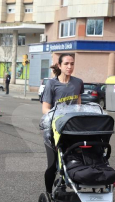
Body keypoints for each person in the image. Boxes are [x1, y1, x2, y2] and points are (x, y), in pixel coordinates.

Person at [41, 53, 83, 194]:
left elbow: (78, 104)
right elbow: (45, 108)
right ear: (59, 65)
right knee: (53, 165)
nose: (69, 67)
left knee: (72, 160)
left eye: (72, 63)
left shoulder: (78, 82)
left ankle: (64, 184)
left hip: (72, 129)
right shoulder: (51, 84)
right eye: (66, 64)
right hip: (54, 129)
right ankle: (48, 194)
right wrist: (56, 117)